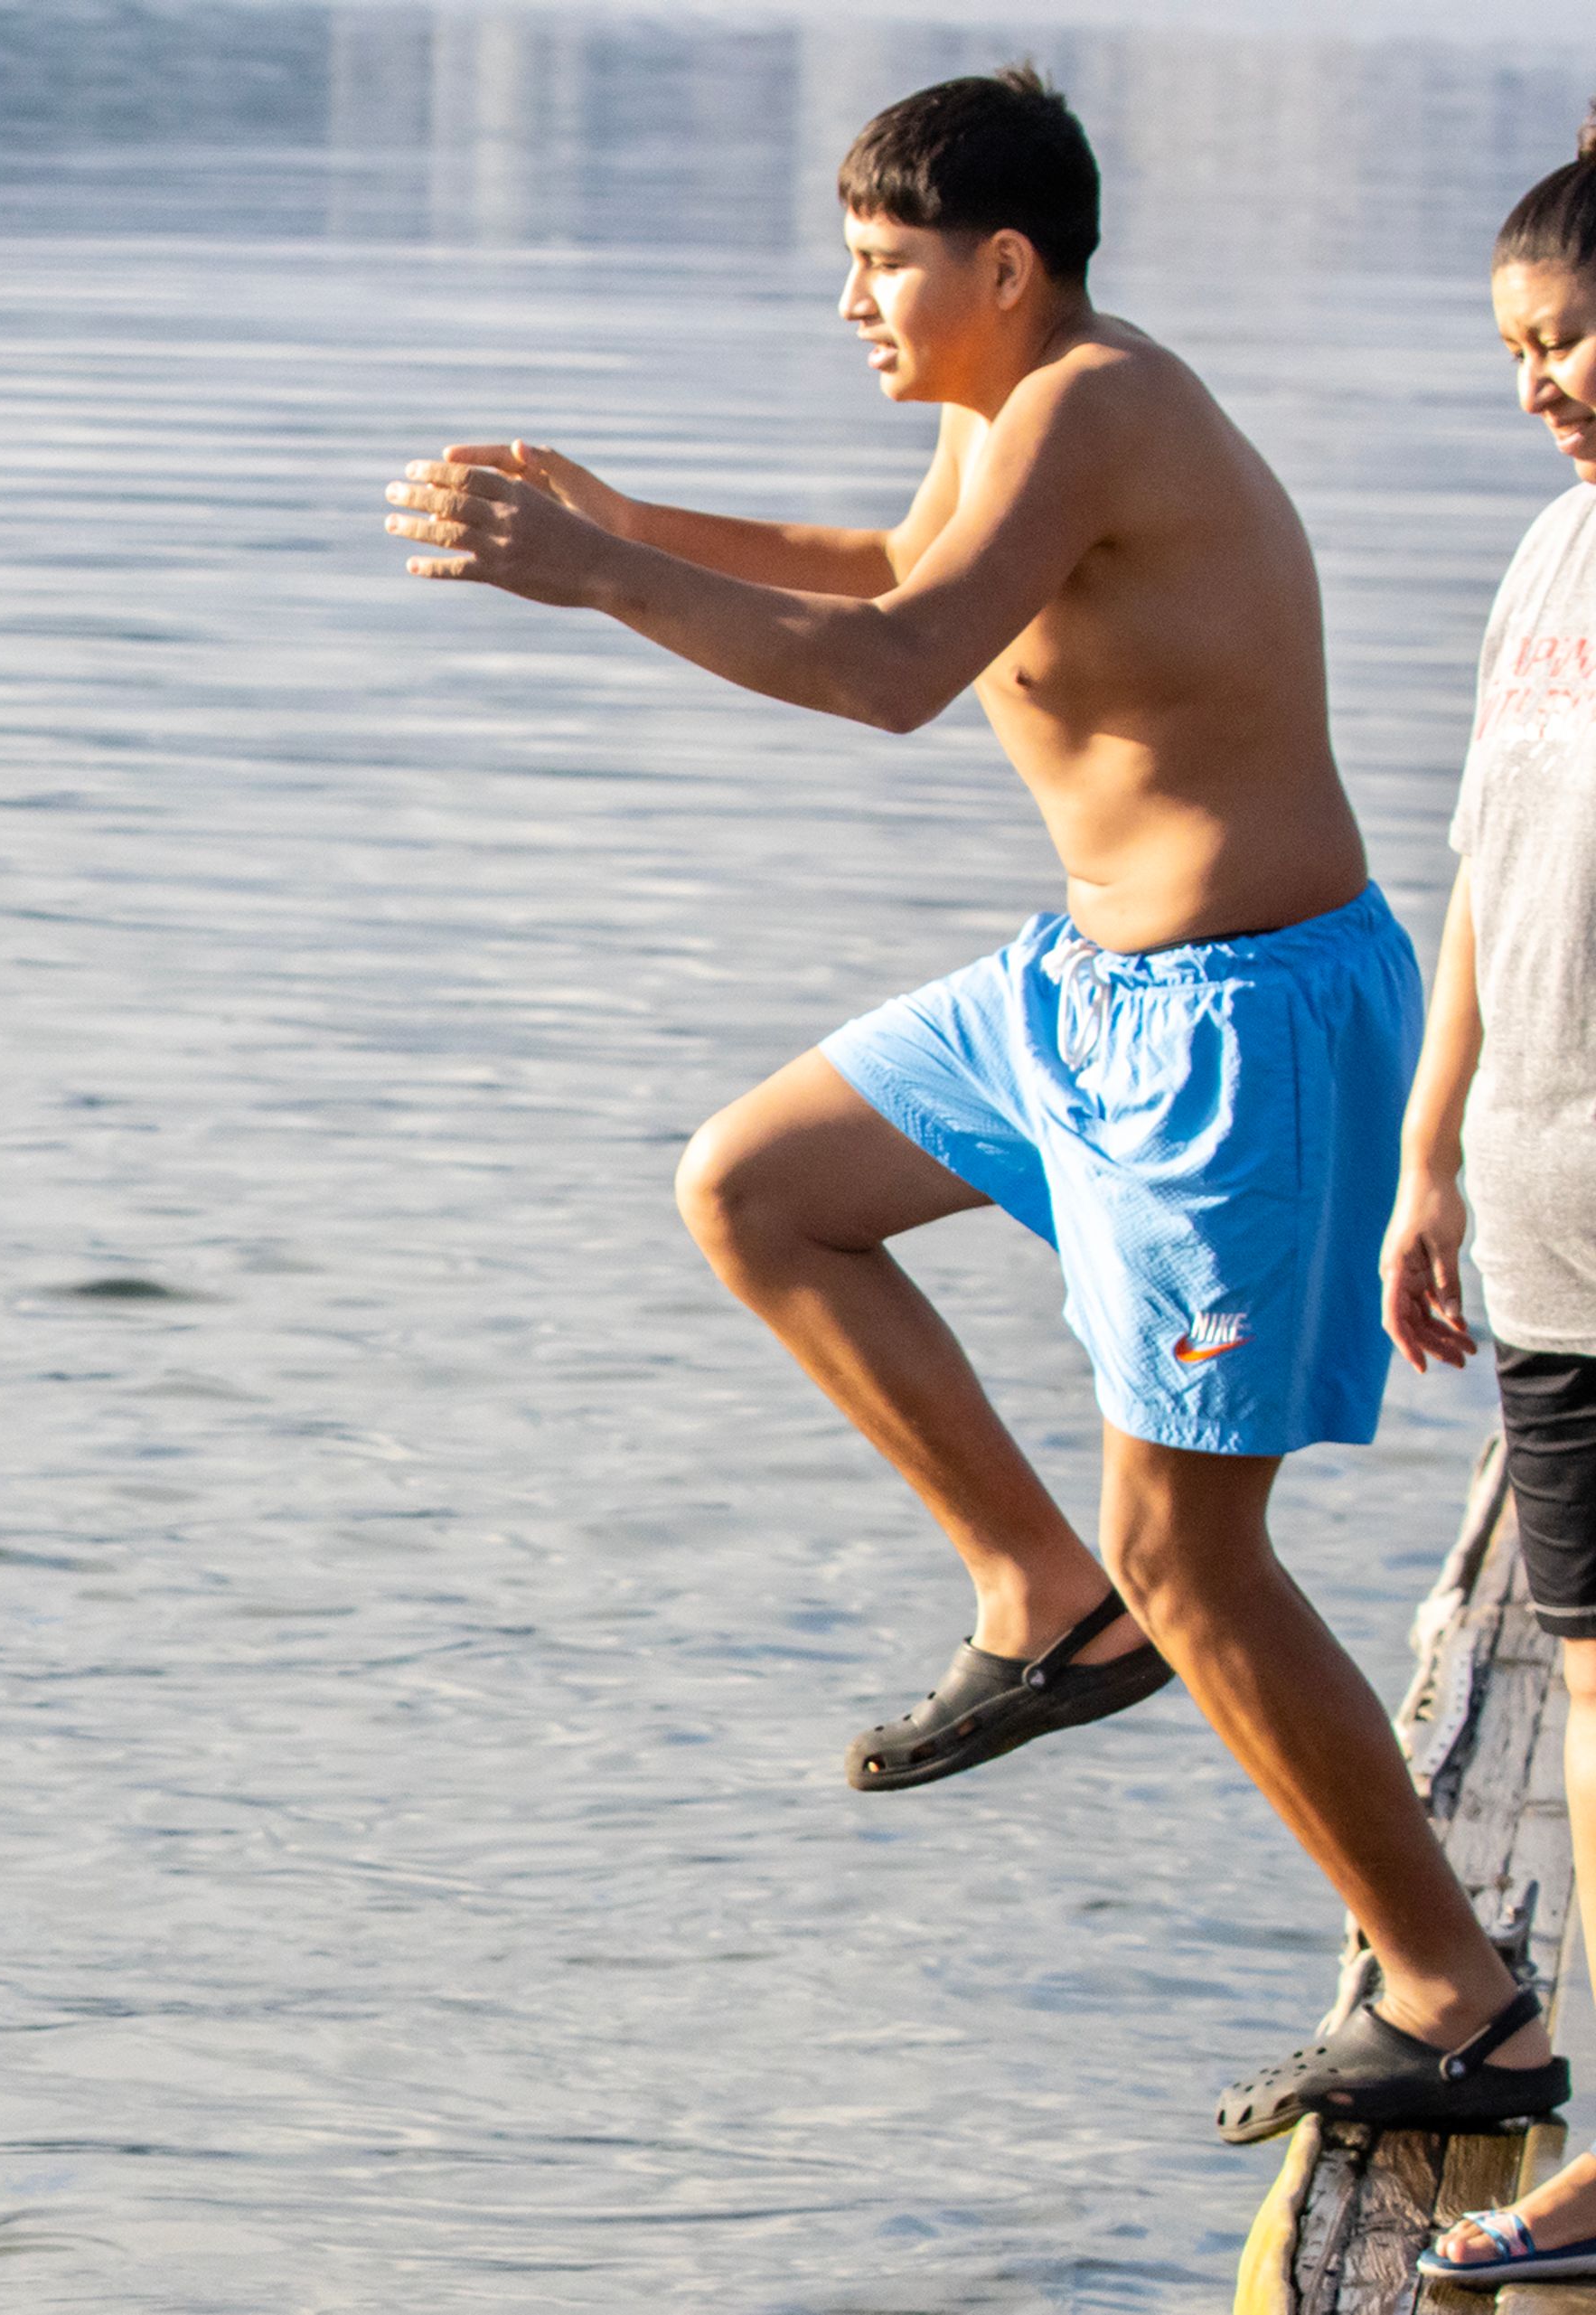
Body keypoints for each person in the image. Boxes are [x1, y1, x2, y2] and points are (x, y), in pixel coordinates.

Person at [380, 65, 1564, 2141]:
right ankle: (1044, 1597)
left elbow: (897, 663)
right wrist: (634, 516)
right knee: (759, 1186)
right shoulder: (1002, 417)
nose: (852, 304)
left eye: (881, 265)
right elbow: (888, 559)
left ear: (1003, 267)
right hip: (1076, 1000)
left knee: (1202, 1556)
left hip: (1237, 1035)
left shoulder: (1102, 400)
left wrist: (592, 575)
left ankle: (1458, 2002)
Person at [1401, 108, 1596, 2291]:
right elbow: (1480, 870)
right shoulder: (1547, 560)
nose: (1539, 383)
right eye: (1514, 352)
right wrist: (1432, 1154)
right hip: (1549, 1216)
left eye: (1570, 339)